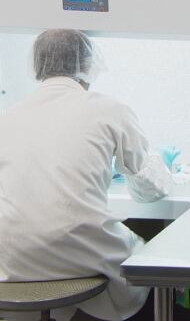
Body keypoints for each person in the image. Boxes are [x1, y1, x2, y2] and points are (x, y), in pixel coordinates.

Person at [0, 29, 174, 321]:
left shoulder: (8, 115)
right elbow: (150, 189)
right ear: (87, 63)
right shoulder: (110, 108)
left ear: (37, 65)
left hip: (13, 258)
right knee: (145, 254)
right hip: (83, 250)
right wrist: (160, 167)